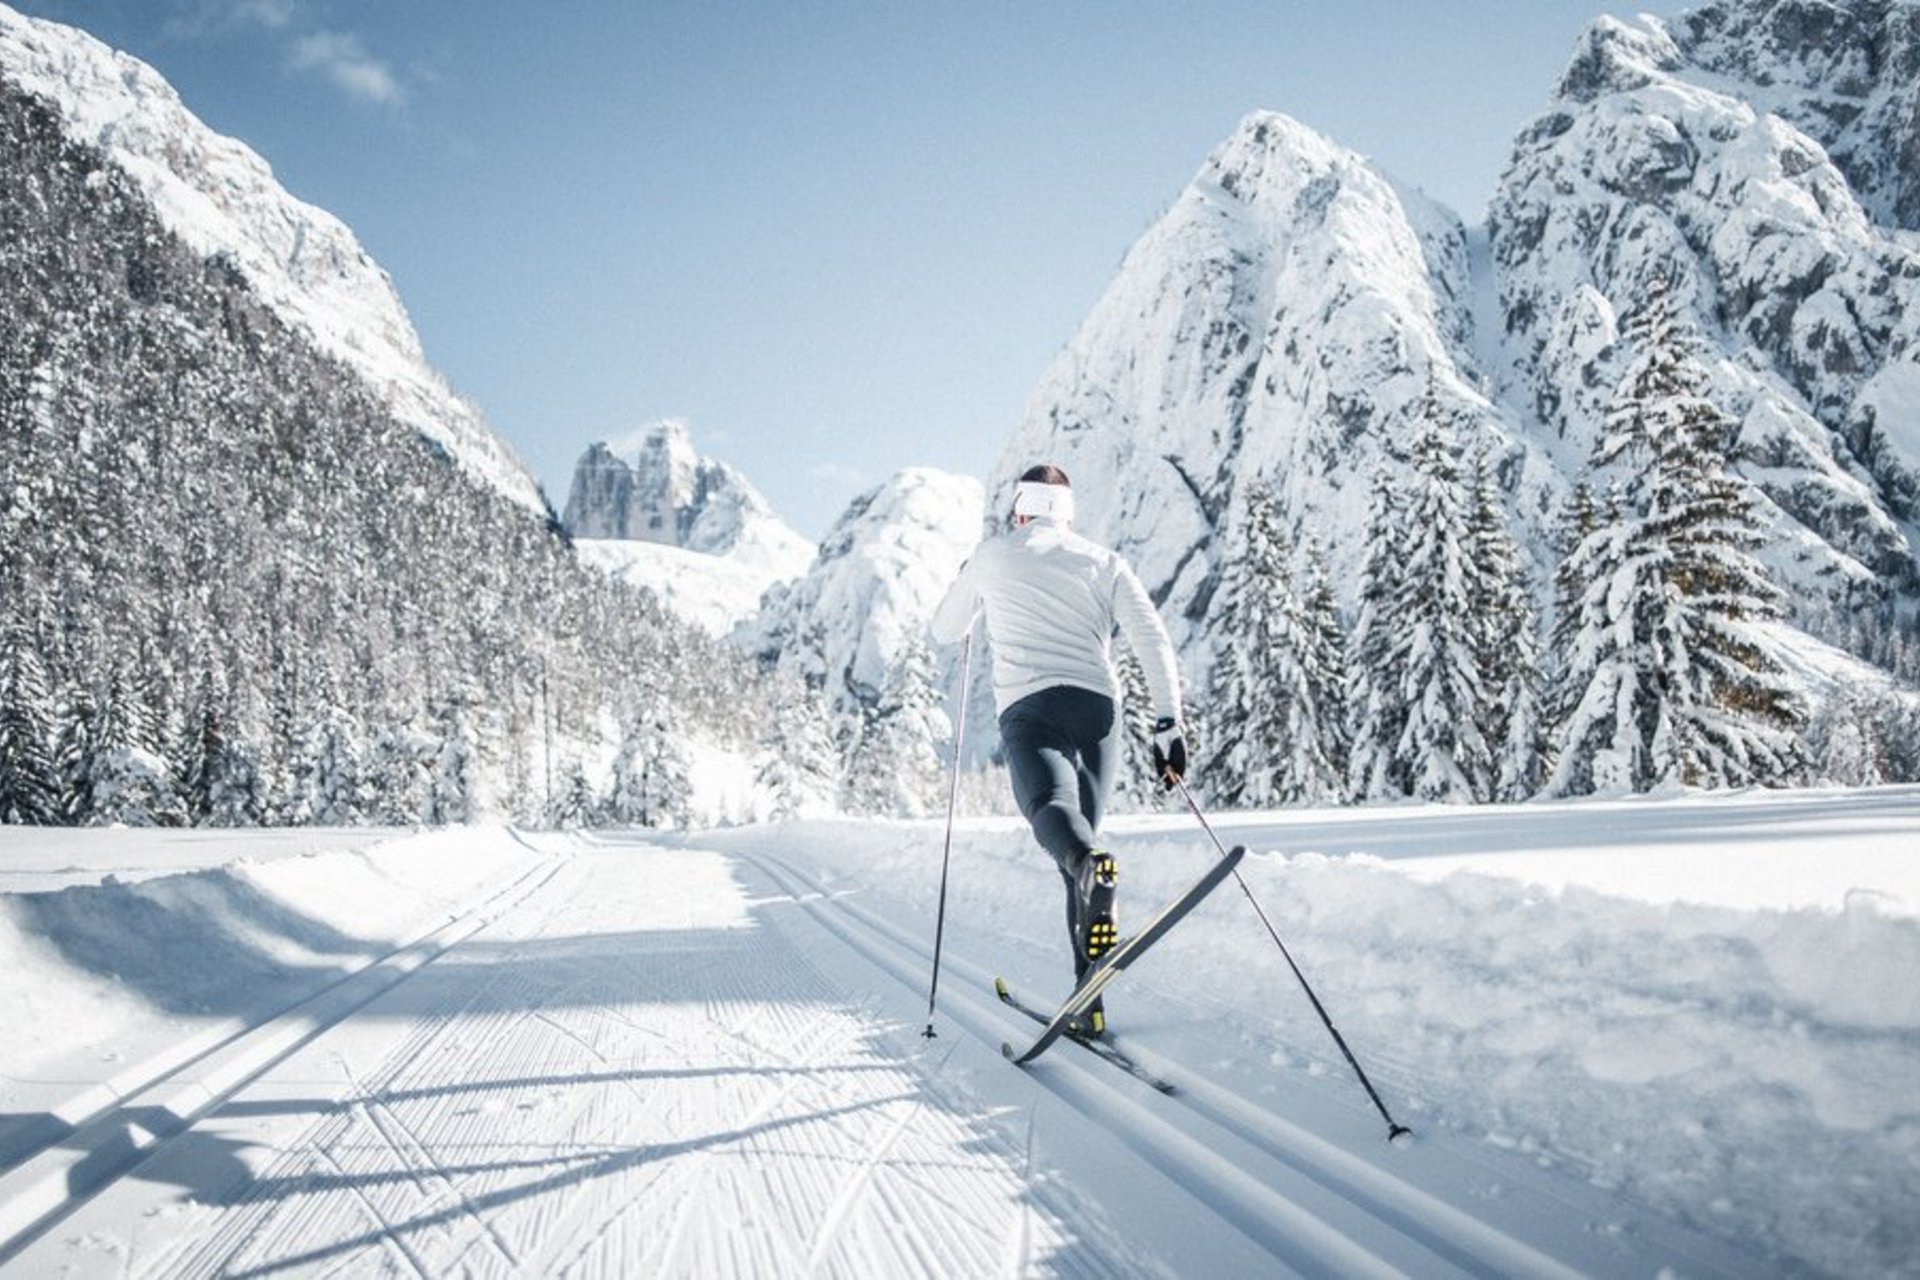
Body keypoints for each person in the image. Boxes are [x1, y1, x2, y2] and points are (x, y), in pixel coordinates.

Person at [930, 464, 1188, 1036]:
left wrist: (967, 579)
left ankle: (1088, 927)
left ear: (1020, 510)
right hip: (1099, 712)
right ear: (1068, 513)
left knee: (1058, 823)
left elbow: (946, 628)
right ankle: (1087, 1000)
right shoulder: (1103, 561)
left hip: (1032, 709)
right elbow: (1151, 637)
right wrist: (1168, 724)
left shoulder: (994, 553)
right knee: (1084, 849)